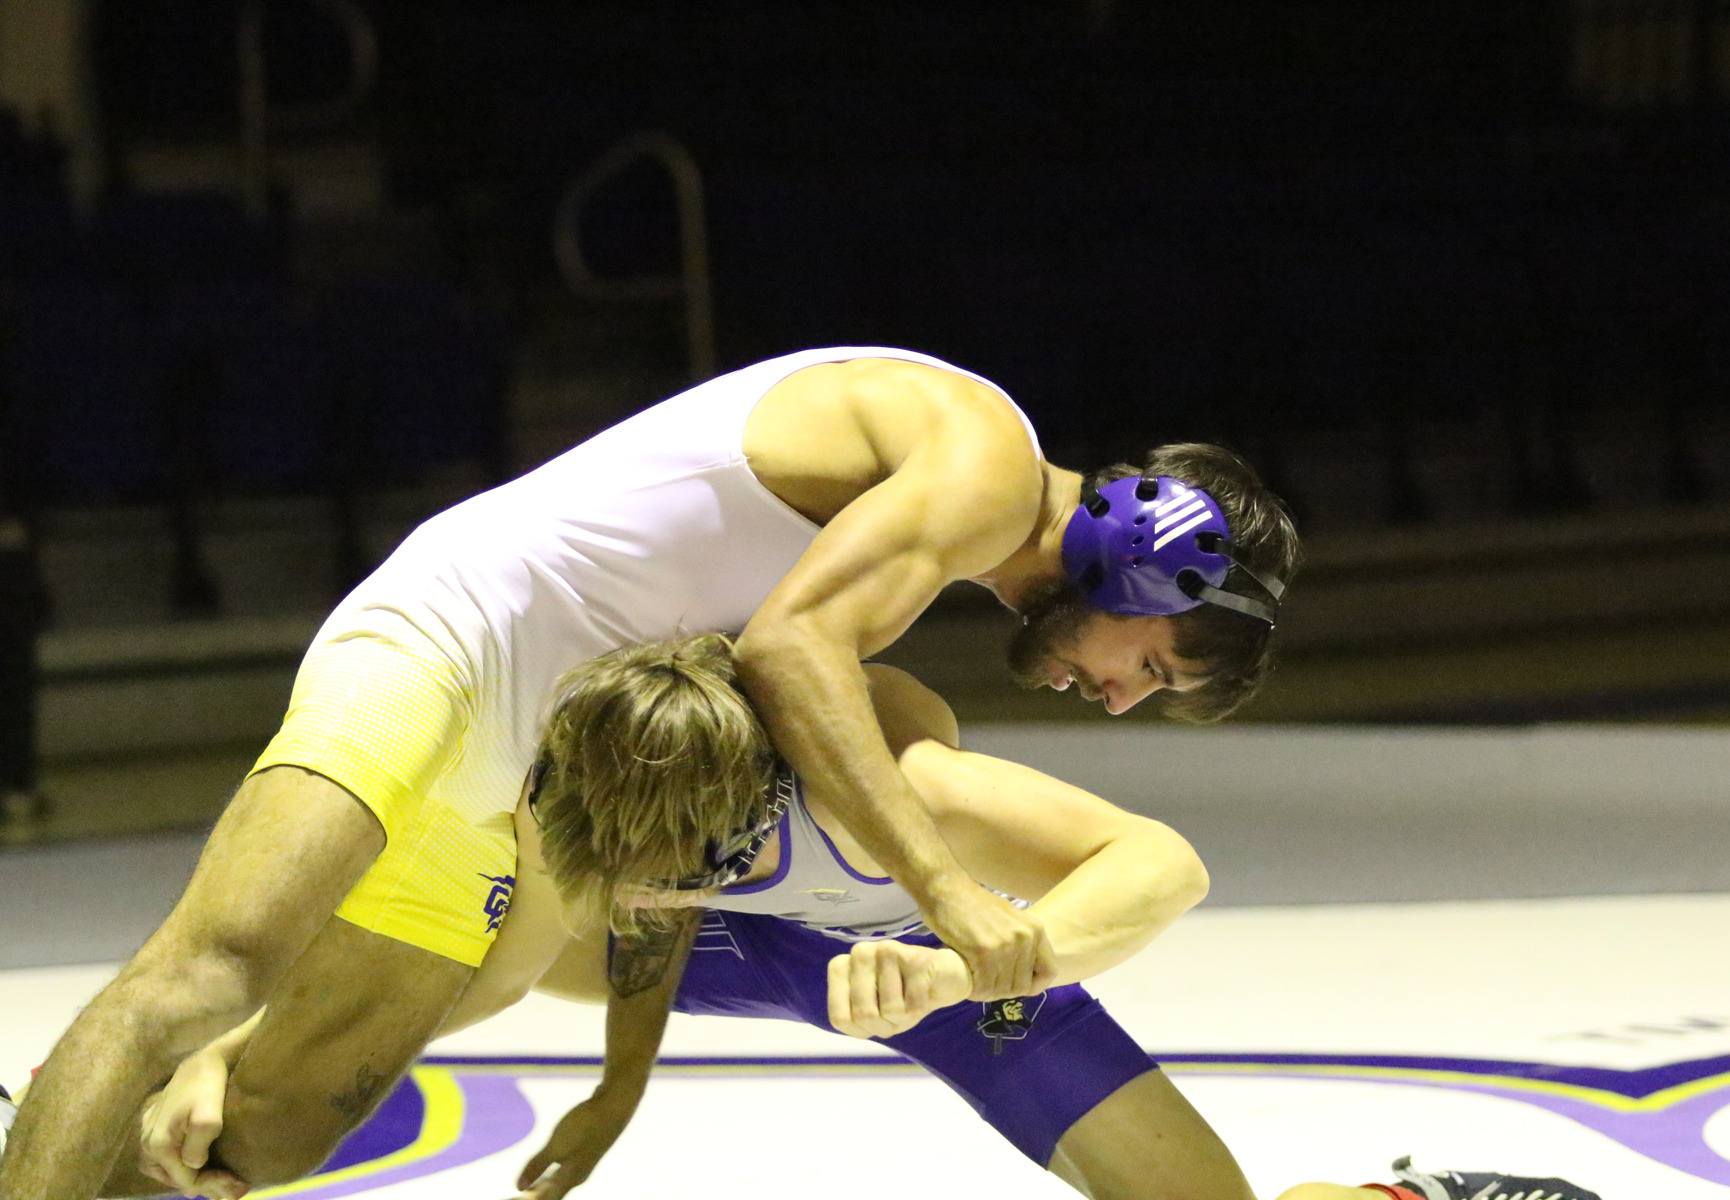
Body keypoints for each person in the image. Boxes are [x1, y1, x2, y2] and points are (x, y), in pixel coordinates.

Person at [0, 347, 1301, 1198]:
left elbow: (661, 858)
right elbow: (793, 650)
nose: (1124, 693)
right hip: (454, 634)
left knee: (266, 1131)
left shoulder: (928, 557)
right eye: (1162, 663)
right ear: (1153, 560)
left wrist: (623, 1085)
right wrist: (949, 899)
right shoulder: (987, 461)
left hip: (525, 761)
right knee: (211, 971)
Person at [128, 638, 1601, 1200]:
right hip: (730, 951)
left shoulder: (884, 787)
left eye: (668, 858)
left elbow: (1158, 864)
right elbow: (466, 979)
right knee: (348, 1032)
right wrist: (251, 1043)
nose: (634, 882)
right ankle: (109, 1136)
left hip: (903, 953)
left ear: (745, 804)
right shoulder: (586, 804)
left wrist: (964, 959)